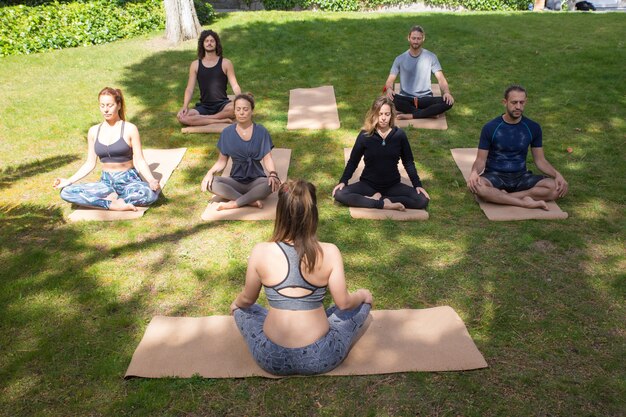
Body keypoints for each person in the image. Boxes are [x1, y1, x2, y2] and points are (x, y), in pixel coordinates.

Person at [231, 179, 373, 376]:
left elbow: (247, 299)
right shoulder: (329, 252)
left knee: (244, 311)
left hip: (271, 356)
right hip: (321, 355)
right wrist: (363, 295)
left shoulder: (261, 251)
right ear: (313, 214)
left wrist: (235, 305)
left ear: (279, 213)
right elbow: (345, 303)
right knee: (359, 307)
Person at [53, 87, 160, 211]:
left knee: (149, 194)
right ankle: (111, 205)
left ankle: (119, 200)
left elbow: (140, 160)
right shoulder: (93, 131)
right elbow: (90, 163)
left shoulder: (130, 129)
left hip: (128, 180)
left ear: (119, 105)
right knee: (66, 192)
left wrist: (151, 179)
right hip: (106, 182)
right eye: (102, 105)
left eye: (110, 105)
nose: (106, 109)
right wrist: (69, 180)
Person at [467, 85, 568, 209]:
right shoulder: (490, 127)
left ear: (526, 102)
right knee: (478, 187)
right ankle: (524, 202)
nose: (518, 107)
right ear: (505, 102)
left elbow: (540, 160)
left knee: (555, 188)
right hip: (495, 176)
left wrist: (557, 174)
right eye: (514, 102)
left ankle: (502, 197)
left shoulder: (533, 127)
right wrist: (474, 173)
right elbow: (480, 160)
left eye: (522, 102)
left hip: (521, 177)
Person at [333, 96, 430, 211]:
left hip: (392, 186)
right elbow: (353, 161)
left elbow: (408, 162)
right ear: (374, 114)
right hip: (368, 185)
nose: (383, 118)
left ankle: (384, 199)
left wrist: (417, 185)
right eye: (380, 114)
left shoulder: (399, 135)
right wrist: (343, 181)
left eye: (387, 114)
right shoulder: (365, 135)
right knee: (339, 194)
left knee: (422, 200)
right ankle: (382, 204)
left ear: (391, 115)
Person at [201, 93, 280, 210]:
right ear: (234, 111)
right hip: (235, 181)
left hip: (256, 181)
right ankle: (249, 201)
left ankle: (235, 203)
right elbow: (221, 162)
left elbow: (267, 158)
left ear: (252, 111)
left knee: (270, 184)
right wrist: (209, 173)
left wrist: (273, 174)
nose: (241, 113)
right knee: (212, 182)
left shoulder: (261, 132)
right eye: (238, 109)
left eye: (245, 109)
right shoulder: (227, 133)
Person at [384, 25, 454, 120]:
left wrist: (446, 92)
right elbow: (390, 80)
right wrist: (388, 89)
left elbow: (441, 79)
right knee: (388, 99)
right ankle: (429, 113)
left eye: (418, 38)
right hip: (406, 98)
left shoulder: (431, 57)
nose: (416, 41)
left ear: (423, 39)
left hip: (425, 98)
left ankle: (411, 115)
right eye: (413, 38)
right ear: (408, 38)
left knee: (448, 102)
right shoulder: (399, 59)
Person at [177, 29, 241, 132]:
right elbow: (189, 89)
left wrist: (240, 100)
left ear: (216, 44)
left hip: (222, 105)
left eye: (212, 41)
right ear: (202, 44)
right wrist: (185, 106)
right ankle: (218, 120)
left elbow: (235, 86)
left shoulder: (226, 63)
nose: (209, 43)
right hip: (204, 106)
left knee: (234, 109)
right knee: (182, 117)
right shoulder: (195, 65)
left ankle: (207, 119)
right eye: (206, 41)